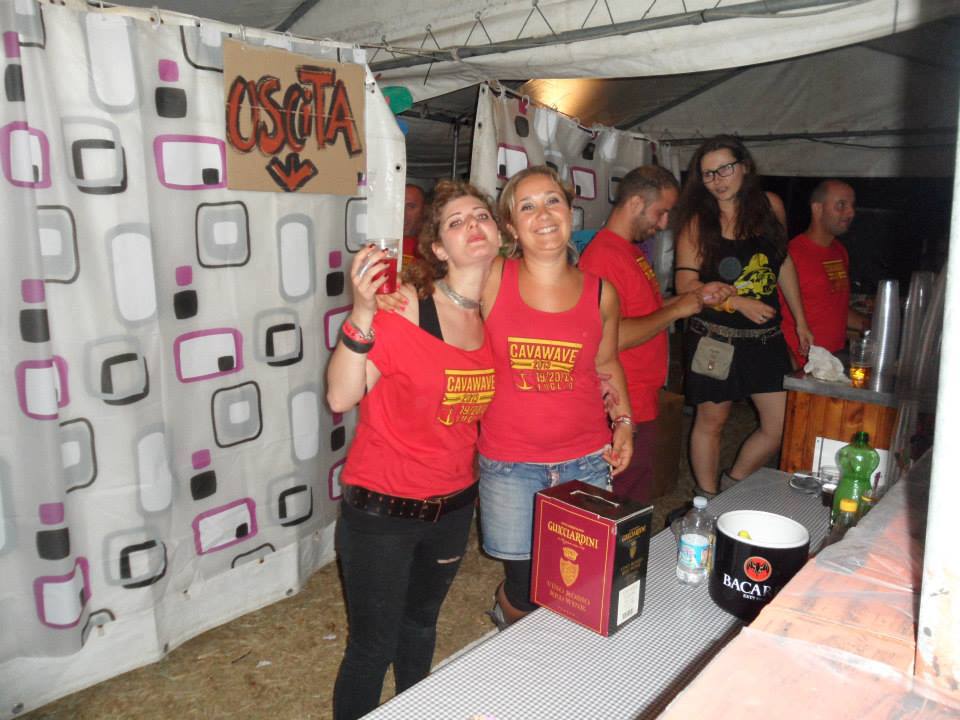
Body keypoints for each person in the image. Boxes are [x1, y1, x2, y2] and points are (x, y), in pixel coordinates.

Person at [327, 180, 501, 720]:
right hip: (383, 509)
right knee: (372, 647)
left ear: (499, 234)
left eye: (481, 216)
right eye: (456, 221)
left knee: (421, 626)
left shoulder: (496, 317)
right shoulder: (405, 309)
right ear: (439, 249)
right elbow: (341, 395)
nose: (473, 225)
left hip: (454, 507)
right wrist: (362, 313)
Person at [477, 166, 634, 626]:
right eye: (526, 206)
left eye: (552, 201)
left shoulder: (602, 293)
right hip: (510, 463)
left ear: (569, 211)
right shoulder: (491, 278)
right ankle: (509, 620)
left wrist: (624, 424)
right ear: (511, 226)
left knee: (576, 585)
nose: (542, 214)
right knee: (526, 589)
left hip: (586, 459)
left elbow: (607, 365)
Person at [580, 166, 732, 503]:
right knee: (617, 503)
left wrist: (693, 298)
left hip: (641, 398)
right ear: (635, 203)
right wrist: (675, 311)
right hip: (620, 402)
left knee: (632, 498)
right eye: (661, 212)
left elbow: (643, 312)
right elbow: (609, 337)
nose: (663, 224)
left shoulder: (630, 251)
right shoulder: (603, 256)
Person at [674, 136, 813, 497]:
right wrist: (737, 302)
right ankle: (706, 500)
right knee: (712, 421)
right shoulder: (696, 222)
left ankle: (732, 482)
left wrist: (800, 320)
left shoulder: (771, 206)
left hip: (765, 338)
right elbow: (686, 284)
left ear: (745, 167)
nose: (717, 180)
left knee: (779, 424)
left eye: (725, 169)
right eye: (708, 174)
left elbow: (783, 263)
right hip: (714, 337)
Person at [780, 179, 869, 367]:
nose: (851, 212)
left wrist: (870, 324)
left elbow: (833, 308)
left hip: (833, 364)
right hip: (802, 366)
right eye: (841, 205)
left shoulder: (839, 251)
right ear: (817, 209)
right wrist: (789, 364)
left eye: (852, 206)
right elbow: (771, 317)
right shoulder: (791, 255)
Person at [402, 183, 427, 266]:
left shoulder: (432, 248)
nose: (403, 213)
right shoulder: (383, 242)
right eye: (399, 206)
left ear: (424, 211)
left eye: (410, 206)